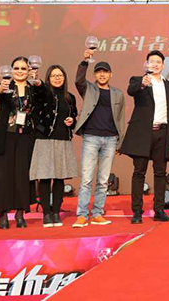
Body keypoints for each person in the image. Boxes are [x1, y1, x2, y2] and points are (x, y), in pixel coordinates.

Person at [119, 50, 169, 224]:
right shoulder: (138, 80)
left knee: (160, 173)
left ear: (163, 65)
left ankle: (159, 209)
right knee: (139, 172)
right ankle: (137, 211)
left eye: (158, 62)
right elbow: (131, 91)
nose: (155, 64)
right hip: (143, 133)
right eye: (151, 61)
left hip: (163, 132)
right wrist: (142, 84)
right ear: (146, 64)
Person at [0, 56, 41, 229]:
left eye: (23, 68)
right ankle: (2, 214)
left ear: (29, 70)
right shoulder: (6, 86)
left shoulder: (33, 88)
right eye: (16, 68)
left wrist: (39, 83)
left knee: (22, 175)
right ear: (11, 70)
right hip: (5, 136)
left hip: (26, 137)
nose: (20, 71)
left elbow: (44, 96)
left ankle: (20, 213)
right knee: (3, 175)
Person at [72, 49, 125, 228]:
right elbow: (78, 80)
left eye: (105, 72)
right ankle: (81, 215)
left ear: (111, 74)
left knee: (103, 181)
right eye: (99, 72)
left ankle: (97, 213)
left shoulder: (118, 94)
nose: (102, 74)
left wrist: (120, 141)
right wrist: (85, 61)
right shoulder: (89, 89)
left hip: (110, 139)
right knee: (86, 179)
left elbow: (120, 118)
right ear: (95, 74)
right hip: (91, 137)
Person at [31, 65, 79, 228]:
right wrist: (37, 81)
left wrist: (72, 121)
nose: (57, 78)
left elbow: (74, 117)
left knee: (59, 178)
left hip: (63, 140)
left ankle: (56, 212)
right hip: (45, 140)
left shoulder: (70, 97)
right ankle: (46, 213)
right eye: (53, 76)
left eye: (60, 75)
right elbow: (39, 91)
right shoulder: (44, 95)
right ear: (48, 79)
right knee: (45, 178)